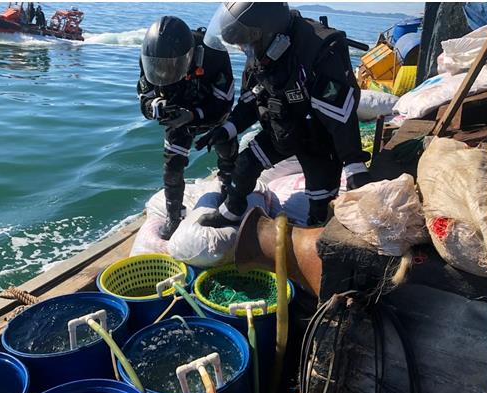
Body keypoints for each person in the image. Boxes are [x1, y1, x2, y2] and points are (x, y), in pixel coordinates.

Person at [196, 2, 372, 228]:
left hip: (318, 135)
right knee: (243, 167)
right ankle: (232, 211)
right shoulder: (259, 55)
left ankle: (315, 227)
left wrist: (354, 165)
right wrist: (225, 129)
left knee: (321, 203)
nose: (242, 47)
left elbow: (341, 118)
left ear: (267, 31)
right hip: (282, 128)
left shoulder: (317, 52)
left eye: (245, 41)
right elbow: (249, 102)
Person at [138, 16, 236, 239]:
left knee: (227, 150)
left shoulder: (215, 54)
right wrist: (155, 106)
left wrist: (193, 115)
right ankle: (174, 215)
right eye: (159, 68)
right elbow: (144, 98)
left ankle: (228, 192)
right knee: (172, 167)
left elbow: (225, 103)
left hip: (209, 110)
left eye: (171, 66)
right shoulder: (148, 56)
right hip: (177, 111)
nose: (165, 73)